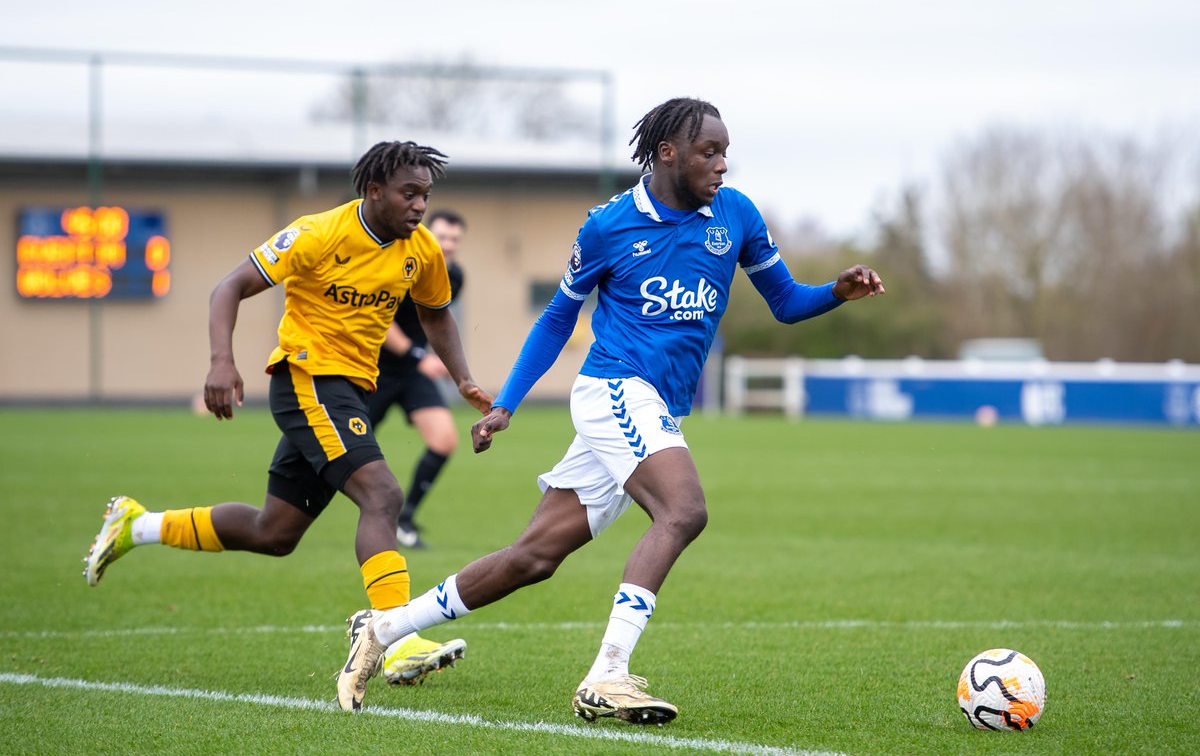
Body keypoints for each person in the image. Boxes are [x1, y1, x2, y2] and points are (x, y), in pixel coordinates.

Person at [335, 98, 886, 720]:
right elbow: (557, 317)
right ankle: (608, 675)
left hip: (654, 405)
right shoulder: (610, 224)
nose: (723, 164)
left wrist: (837, 292)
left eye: (727, 152)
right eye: (711, 152)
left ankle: (383, 630)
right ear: (668, 153)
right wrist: (506, 404)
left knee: (533, 558)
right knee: (683, 510)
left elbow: (786, 302)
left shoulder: (736, 214)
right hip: (615, 389)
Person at [82, 141, 494, 709]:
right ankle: (394, 636)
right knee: (382, 493)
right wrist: (221, 361)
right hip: (307, 379)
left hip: (351, 388)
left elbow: (436, 313)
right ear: (373, 191)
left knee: (274, 532)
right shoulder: (316, 233)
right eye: (410, 193)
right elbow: (229, 287)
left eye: (426, 194)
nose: (421, 205)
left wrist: (464, 378)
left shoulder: (419, 249)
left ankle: (137, 525)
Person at [367, 209, 468, 549]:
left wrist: (443, 361)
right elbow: (379, 322)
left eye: (455, 239)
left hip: (412, 372)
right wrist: (418, 355)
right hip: (373, 369)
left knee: (444, 440)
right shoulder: (401, 262)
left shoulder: (454, 275)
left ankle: (403, 521)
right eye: (442, 237)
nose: (448, 245)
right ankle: (296, 508)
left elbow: (436, 322)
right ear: (425, 234)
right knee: (340, 452)